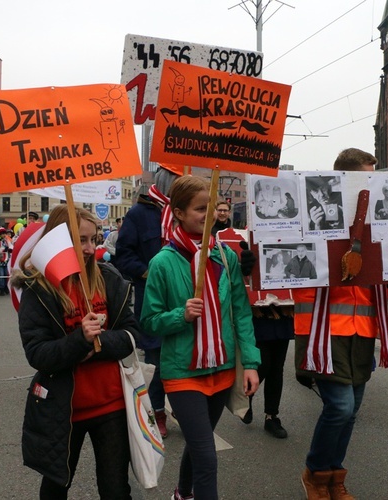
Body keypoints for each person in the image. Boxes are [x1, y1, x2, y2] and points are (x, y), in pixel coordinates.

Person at [140, 175, 261, 500]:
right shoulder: (163, 263)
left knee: (200, 443)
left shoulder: (226, 257)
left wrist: (250, 363)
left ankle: (182, 493)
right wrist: (180, 315)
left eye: (211, 207)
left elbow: (241, 314)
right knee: (207, 456)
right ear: (178, 213)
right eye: (199, 209)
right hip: (183, 374)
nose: (209, 215)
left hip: (221, 372)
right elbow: (149, 322)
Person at [11, 205, 140, 498]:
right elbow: (38, 354)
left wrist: (97, 344)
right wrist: (79, 340)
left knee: (116, 489)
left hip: (112, 406)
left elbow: (132, 335)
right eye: (81, 240)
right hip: (63, 409)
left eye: (94, 240)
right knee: (56, 487)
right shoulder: (39, 289)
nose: (90, 248)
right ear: (58, 241)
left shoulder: (109, 279)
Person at [296, 148, 388, 500]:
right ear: (347, 181)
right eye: (367, 178)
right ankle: (315, 473)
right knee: (340, 407)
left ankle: (334, 477)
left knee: (351, 411)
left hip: (361, 332)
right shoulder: (318, 218)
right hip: (323, 330)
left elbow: (385, 278)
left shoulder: (376, 224)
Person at [115, 166, 179, 438]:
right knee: (156, 360)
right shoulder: (139, 214)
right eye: (176, 184)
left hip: (185, 299)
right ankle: (158, 413)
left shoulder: (184, 214)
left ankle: (184, 411)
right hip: (153, 301)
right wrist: (148, 272)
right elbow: (123, 256)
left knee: (183, 359)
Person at [243, 304, 295, 439]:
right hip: (258, 313)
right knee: (262, 365)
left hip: (282, 313)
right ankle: (246, 395)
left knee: (276, 369)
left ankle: (271, 416)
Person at [0, 228, 13, 295]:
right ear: (0, 235)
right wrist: (3, 249)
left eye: (4, 234)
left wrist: (10, 249)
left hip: (7, 260)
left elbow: (11, 247)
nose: (4, 235)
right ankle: (1, 288)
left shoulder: (7, 241)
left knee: (7, 275)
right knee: (1, 275)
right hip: (0, 260)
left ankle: (6, 287)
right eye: (2, 234)